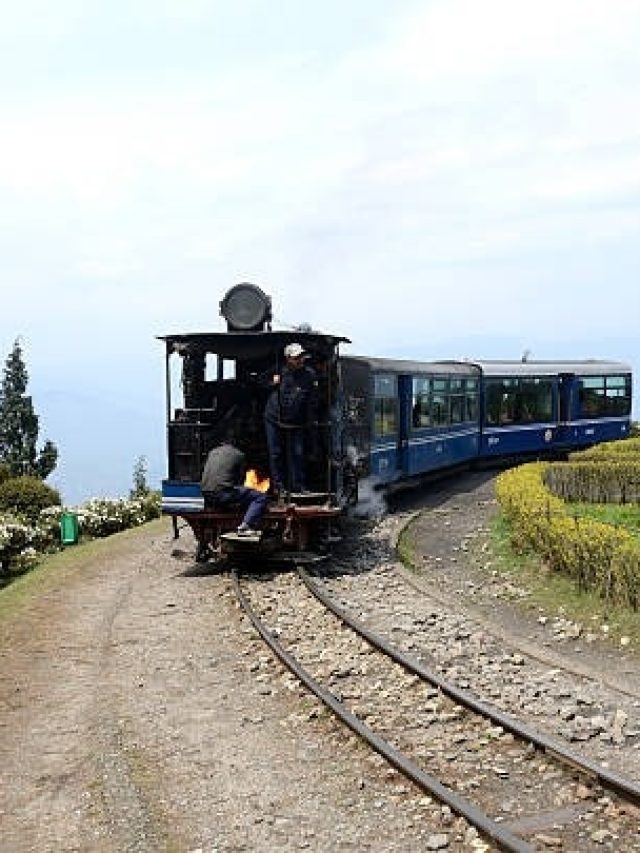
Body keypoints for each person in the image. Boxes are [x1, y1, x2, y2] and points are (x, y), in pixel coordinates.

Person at [264, 342, 319, 494]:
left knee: (298, 453)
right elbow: (258, 383)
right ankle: (278, 486)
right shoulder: (277, 370)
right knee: (276, 453)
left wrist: (310, 421)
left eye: (301, 357)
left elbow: (313, 400)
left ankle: (299, 485)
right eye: (296, 358)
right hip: (274, 418)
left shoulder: (309, 375)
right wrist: (271, 383)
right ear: (288, 359)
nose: (300, 360)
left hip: (297, 420)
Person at [200, 438, 268, 535]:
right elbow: (240, 479)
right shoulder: (239, 455)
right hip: (222, 494)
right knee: (260, 497)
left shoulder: (213, 452)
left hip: (205, 494)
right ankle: (246, 526)